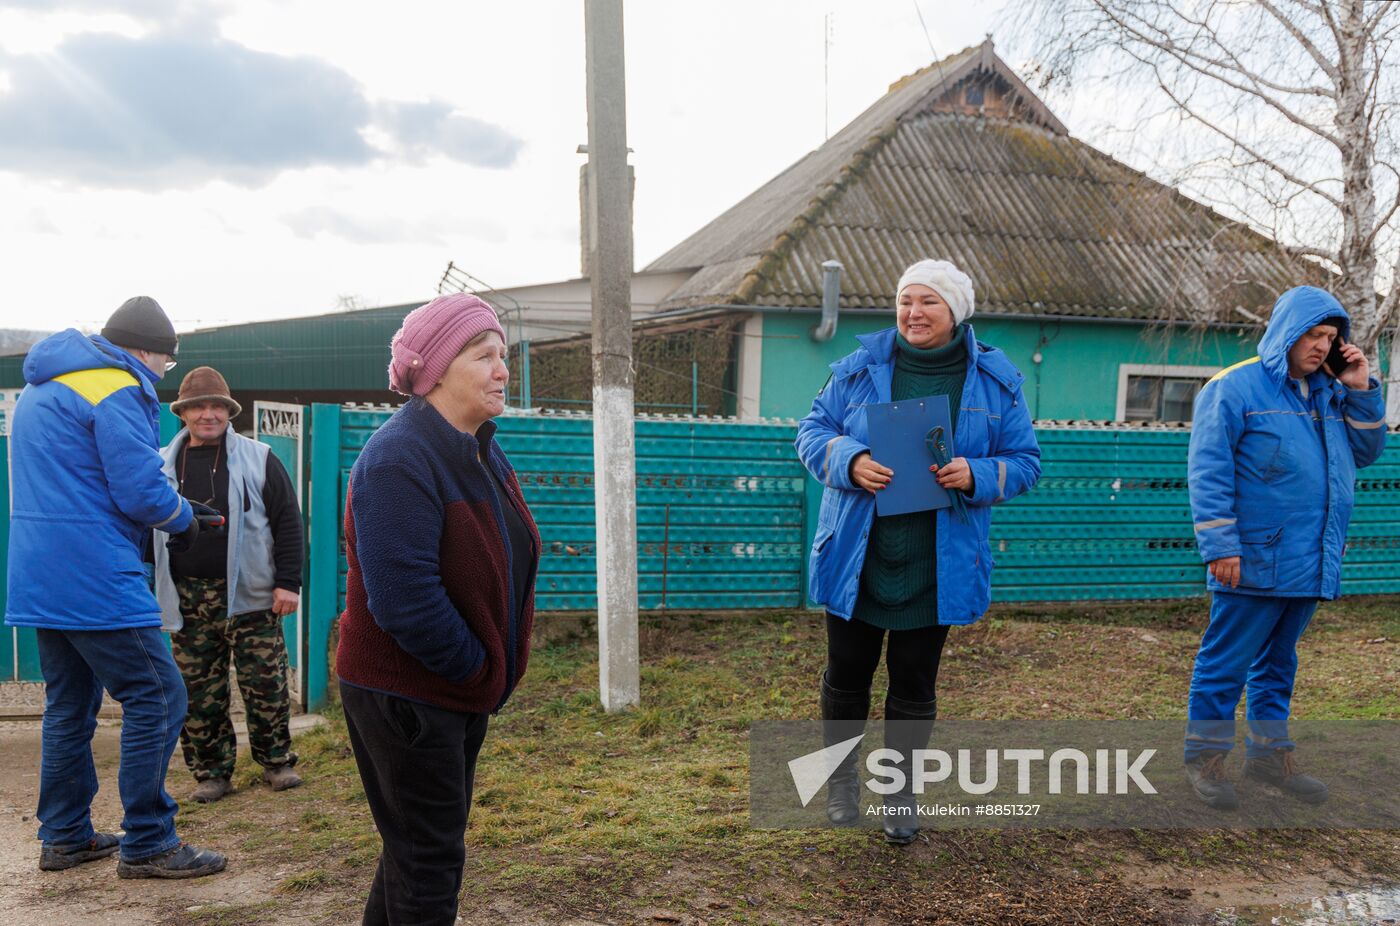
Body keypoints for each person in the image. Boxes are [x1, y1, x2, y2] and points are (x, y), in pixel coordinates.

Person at [794, 259, 1041, 844]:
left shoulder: (995, 382)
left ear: (955, 310)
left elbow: (1026, 462)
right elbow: (811, 432)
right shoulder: (858, 370)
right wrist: (850, 460)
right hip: (859, 552)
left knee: (914, 681)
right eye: (906, 301)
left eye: (928, 302)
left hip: (939, 561)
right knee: (847, 674)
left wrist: (977, 473)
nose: (913, 313)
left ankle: (899, 793)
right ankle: (841, 783)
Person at [4, 296, 226, 878]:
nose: (161, 375)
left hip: (39, 572)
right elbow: (138, 491)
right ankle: (150, 841)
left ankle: (66, 835)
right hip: (94, 571)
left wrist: (173, 509)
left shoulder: (42, 387)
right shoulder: (119, 386)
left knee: (69, 705)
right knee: (158, 694)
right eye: (166, 365)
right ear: (149, 352)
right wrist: (183, 519)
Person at [336, 293, 539, 925]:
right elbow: (404, 600)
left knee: (412, 851)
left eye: (502, 355)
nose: (503, 369)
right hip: (410, 698)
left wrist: (485, 673)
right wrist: (476, 668)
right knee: (428, 863)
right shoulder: (399, 459)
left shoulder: (477, 447)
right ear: (440, 369)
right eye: (485, 356)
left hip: (452, 692)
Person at [1185, 285, 1386, 810]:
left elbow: (1366, 451)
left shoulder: (1330, 392)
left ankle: (1270, 757)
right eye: (1313, 335)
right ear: (1286, 333)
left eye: (1330, 337)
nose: (1322, 346)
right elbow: (1208, 471)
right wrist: (1219, 546)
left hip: (1310, 554)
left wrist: (1361, 387)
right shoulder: (1234, 388)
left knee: (1278, 662)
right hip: (1251, 555)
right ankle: (1205, 758)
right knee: (1226, 661)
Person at [151, 366, 305, 803]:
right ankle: (211, 773)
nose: (208, 414)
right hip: (186, 597)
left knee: (267, 684)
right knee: (199, 690)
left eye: (217, 406)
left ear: (229, 411)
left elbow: (288, 524)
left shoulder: (260, 457)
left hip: (252, 595)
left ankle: (276, 763)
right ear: (182, 413)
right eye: (198, 406)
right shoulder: (161, 463)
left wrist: (287, 583)